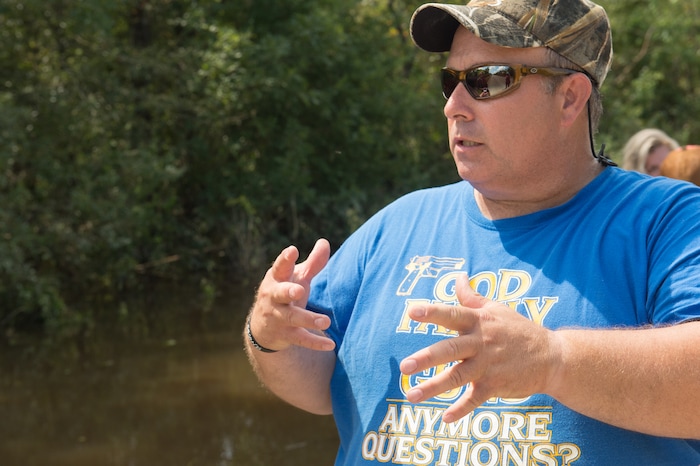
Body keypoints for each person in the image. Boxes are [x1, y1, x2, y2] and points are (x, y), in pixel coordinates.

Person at [244, 0, 700, 464]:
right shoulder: (397, 223)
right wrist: (270, 335)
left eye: (487, 80)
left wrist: (552, 360)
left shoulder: (670, 221)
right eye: (451, 82)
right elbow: (321, 384)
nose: (454, 107)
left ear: (569, 98)